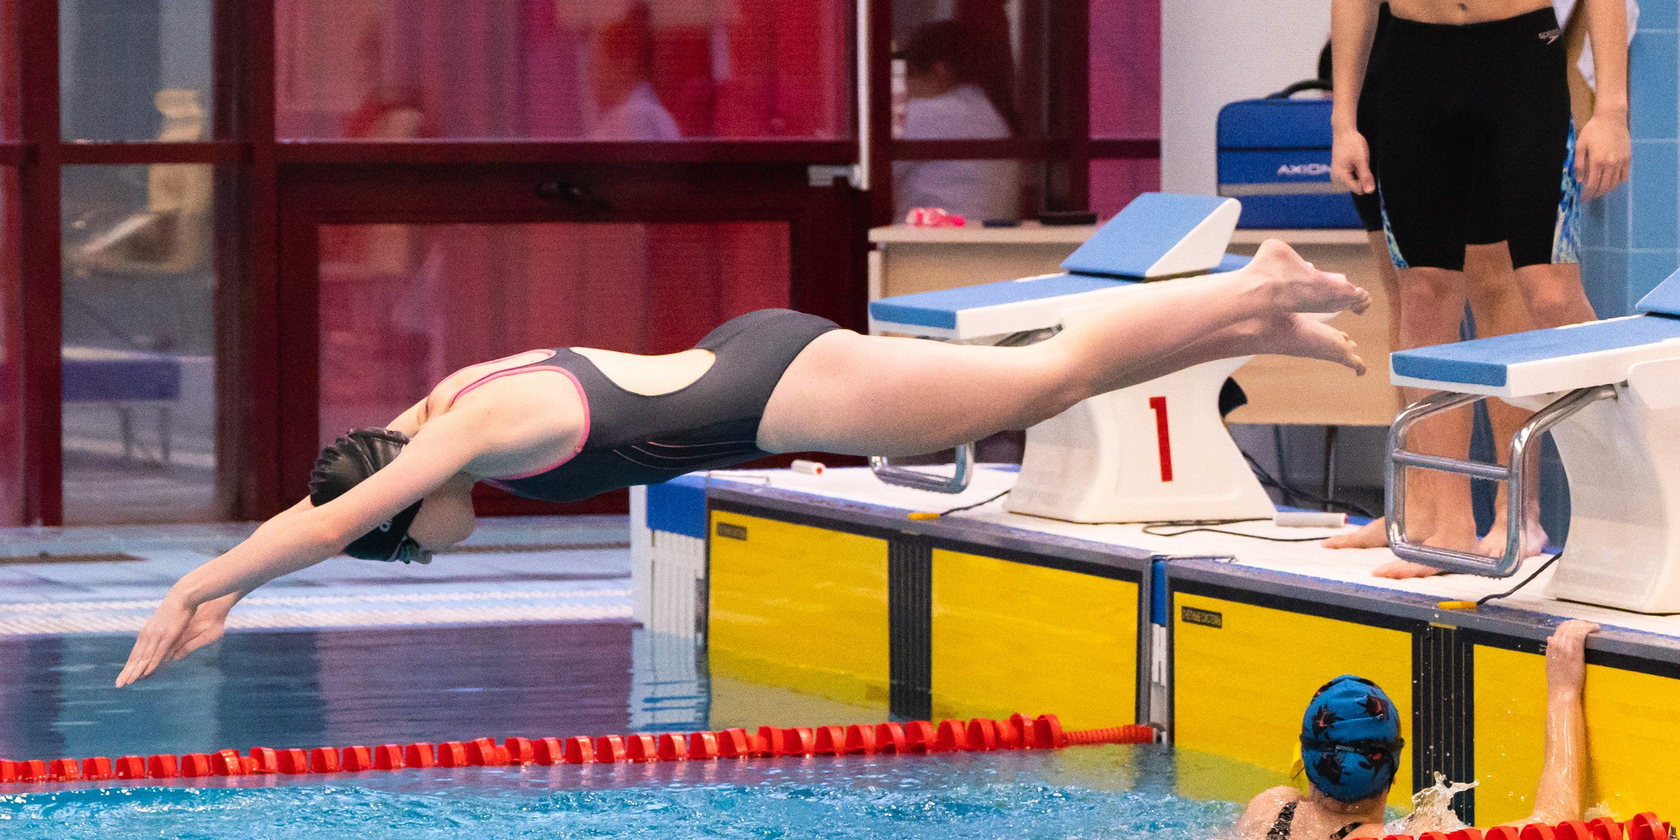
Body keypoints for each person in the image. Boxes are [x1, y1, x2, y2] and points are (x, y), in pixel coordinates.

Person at [115, 246, 1376, 684]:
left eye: (413, 540)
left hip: (785, 389)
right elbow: (334, 496)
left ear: (414, 501)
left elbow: (340, 522)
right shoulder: (437, 412)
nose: (425, 548)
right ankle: (1248, 323)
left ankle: (1240, 283)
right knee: (1040, 387)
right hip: (760, 369)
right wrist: (226, 588)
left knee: (1039, 376)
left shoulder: (470, 436)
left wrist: (202, 586)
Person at [1286, 0, 1647, 561]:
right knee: (1421, 293)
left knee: (1544, 290)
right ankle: (1434, 519)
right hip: (1412, 66)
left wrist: (1614, 106)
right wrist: (1344, 115)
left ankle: (1623, 495)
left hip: (1515, 61)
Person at [1237, 618, 1593, 840]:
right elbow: (1554, 829)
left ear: (1307, 763)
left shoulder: (1269, 810)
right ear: (1392, 770)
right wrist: (1563, 692)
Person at [895, 19, 1020, 225]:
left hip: (929, 246)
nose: (907, 88)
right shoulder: (992, 116)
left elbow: (878, 176)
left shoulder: (925, 113)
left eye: (910, 76)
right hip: (993, 245)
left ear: (939, 72)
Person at [587, 2, 681, 141]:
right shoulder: (648, 114)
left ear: (626, 62)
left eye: (595, 65)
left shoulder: (634, 116)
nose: (592, 76)